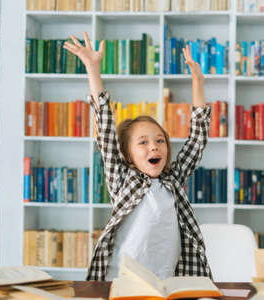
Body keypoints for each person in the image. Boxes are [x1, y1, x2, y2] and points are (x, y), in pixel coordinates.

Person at [64, 32, 212, 281]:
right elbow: (105, 127)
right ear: (128, 156)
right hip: (120, 281)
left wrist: (198, 83)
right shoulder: (122, 180)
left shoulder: (172, 179)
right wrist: (92, 68)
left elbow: (197, 139)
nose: (154, 147)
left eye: (159, 141)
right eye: (143, 143)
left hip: (167, 283)